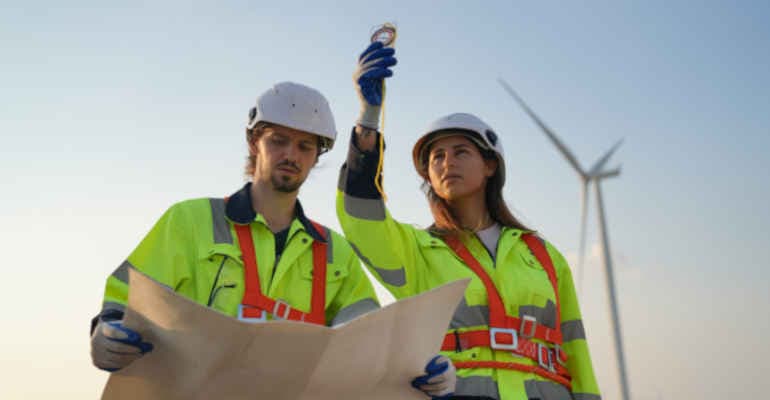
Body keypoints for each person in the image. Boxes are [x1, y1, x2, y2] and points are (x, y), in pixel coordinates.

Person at [337, 42, 602, 400]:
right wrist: (369, 118)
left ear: (490, 165)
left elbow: (576, 355)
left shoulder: (544, 257)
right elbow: (360, 219)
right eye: (437, 157)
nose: (447, 163)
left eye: (461, 152)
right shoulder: (418, 252)